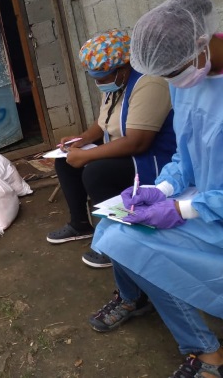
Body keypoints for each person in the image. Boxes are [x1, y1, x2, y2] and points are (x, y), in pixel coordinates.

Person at [88, 0, 223, 378]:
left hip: (211, 209)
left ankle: (207, 353)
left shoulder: (193, 70)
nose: (170, 81)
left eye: (171, 71)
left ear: (202, 43)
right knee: (112, 225)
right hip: (204, 201)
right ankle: (133, 298)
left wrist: (181, 209)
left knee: (132, 244)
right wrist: (161, 190)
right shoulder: (187, 78)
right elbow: (185, 155)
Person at [46, 29, 176, 268]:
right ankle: (80, 225)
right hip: (125, 149)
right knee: (64, 160)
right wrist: (81, 140)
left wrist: (87, 156)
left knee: (96, 172)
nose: (99, 83)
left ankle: (119, 242)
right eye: (95, 78)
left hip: (151, 158)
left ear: (123, 68)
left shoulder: (149, 84)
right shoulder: (117, 85)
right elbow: (103, 123)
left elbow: (138, 142)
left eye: (103, 77)